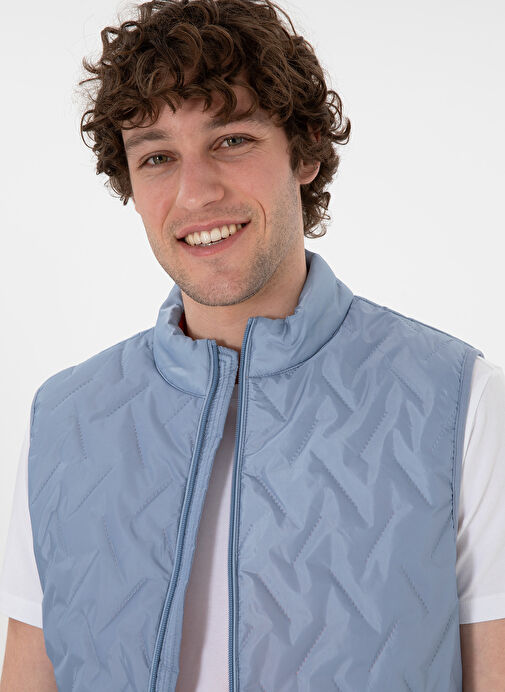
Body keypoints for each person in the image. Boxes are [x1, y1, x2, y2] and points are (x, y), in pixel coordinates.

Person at [1, 0, 504, 689]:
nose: (194, 193)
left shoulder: (461, 403)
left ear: (304, 151)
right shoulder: (63, 421)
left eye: (231, 140)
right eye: (157, 157)